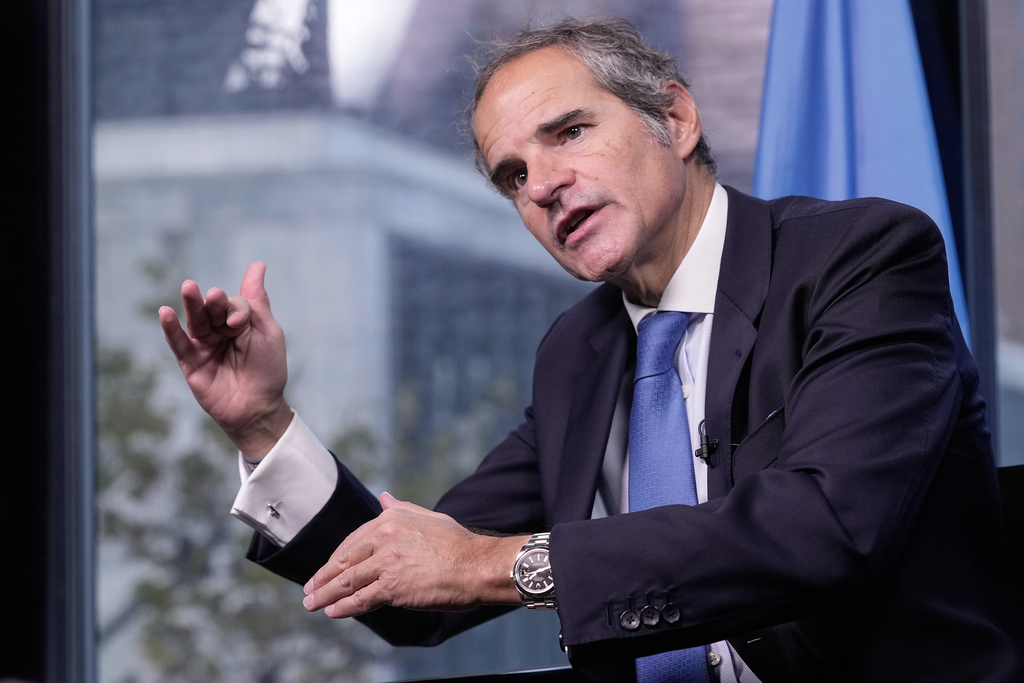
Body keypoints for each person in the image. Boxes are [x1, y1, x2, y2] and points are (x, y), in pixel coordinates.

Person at [159, 17, 1024, 683]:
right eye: (512, 176)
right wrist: (265, 424)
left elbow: (828, 530)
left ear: (674, 118)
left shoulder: (860, 257)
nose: (542, 185)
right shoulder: (577, 354)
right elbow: (418, 578)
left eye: (567, 133)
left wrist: (505, 564)